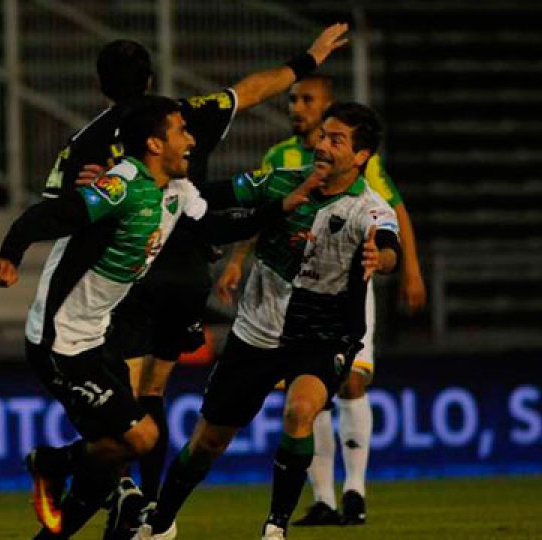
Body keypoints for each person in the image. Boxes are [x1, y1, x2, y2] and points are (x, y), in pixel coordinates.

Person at [41, 26, 349, 537]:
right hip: (187, 272)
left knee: (128, 393)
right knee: (156, 390)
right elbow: (250, 91)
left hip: (133, 271)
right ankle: (153, 511)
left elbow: (57, 206)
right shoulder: (183, 115)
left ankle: (118, 491)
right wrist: (306, 60)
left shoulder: (88, 138)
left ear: (101, 86)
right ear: (151, 77)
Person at [0, 96, 317, 539]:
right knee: (141, 439)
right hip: (58, 342)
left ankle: (55, 513)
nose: (192, 140)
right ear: (155, 144)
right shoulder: (122, 185)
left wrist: (280, 208)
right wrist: (9, 254)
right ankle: (51, 463)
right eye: (183, 130)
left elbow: (215, 228)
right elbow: (52, 213)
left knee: (116, 456)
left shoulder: (177, 191)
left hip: (94, 339)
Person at [135, 102, 402, 540]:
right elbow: (211, 195)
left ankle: (276, 527)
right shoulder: (281, 182)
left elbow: (390, 244)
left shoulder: (367, 208)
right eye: (323, 136)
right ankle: (160, 521)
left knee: (301, 410)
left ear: (360, 156)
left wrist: (382, 257)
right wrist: (159, 183)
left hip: (322, 334)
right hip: (257, 331)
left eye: (337, 140)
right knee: (210, 440)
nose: (323, 145)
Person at [215, 74, 427, 526]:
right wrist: (237, 262)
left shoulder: (359, 160)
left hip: (343, 289)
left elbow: (393, 210)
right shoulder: (280, 157)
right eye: (292, 99)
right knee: (307, 398)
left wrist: (408, 266)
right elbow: (265, 212)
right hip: (286, 297)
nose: (296, 107)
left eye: (306, 100)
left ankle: (355, 491)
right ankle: (324, 498)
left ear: (328, 108)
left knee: (350, 382)